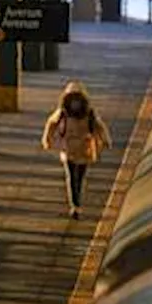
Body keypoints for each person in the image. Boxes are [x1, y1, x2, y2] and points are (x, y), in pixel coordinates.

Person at [41, 81, 112, 219]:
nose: (75, 104)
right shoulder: (63, 113)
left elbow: (99, 127)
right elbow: (51, 123)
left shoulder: (89, 113)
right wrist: (47, 139)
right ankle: (75, 205)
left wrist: (106, 140)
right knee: (72, 177)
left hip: (84, 150)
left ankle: (76, 203)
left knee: (80, 177)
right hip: (69, 150)